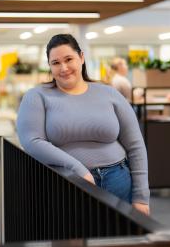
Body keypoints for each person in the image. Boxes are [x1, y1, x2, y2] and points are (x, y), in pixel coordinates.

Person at [16, 34, 150, 215]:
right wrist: (77, 168)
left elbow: (136, 146)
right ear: (50, 66)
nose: (63, 68)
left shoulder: (108, 93)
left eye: (68, 59)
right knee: (71, 240)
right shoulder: (37, 96)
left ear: (81, 57)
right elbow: (32, 141)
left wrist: (141, 197)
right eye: (55, 63)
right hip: (66, 181)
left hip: (117, 181)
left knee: (117, 240)